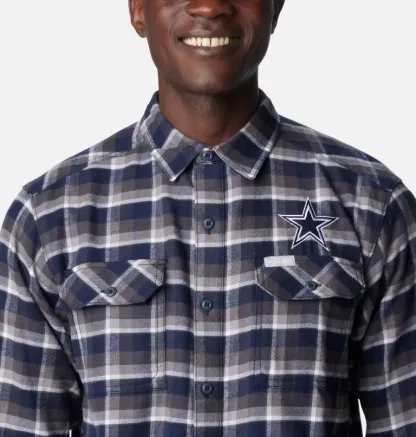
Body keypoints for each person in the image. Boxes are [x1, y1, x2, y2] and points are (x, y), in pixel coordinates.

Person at [0, 0, 415, 436]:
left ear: (275, 8)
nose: (210, 6)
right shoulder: (48, 217)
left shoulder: (372, 204)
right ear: (138, 10)